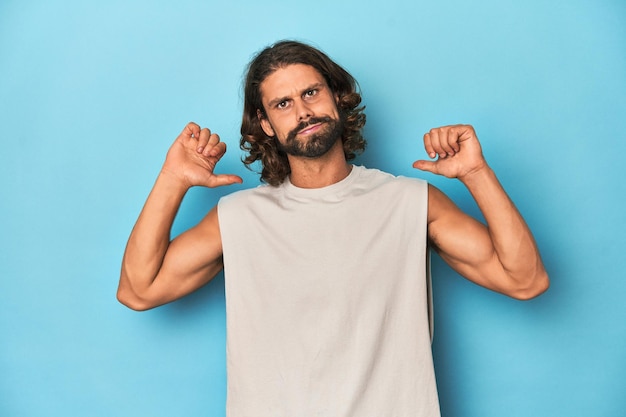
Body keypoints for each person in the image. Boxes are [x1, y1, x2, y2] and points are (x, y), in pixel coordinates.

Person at [117, 40, 549, 417]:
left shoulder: (409, 203)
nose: (303, 111)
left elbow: (525, 279)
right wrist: (172, 180)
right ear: (265, 124)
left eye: (310, 92)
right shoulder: (239, 218)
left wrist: (476, 173)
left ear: (337, 98)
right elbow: (138, 290)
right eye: (282, 103)